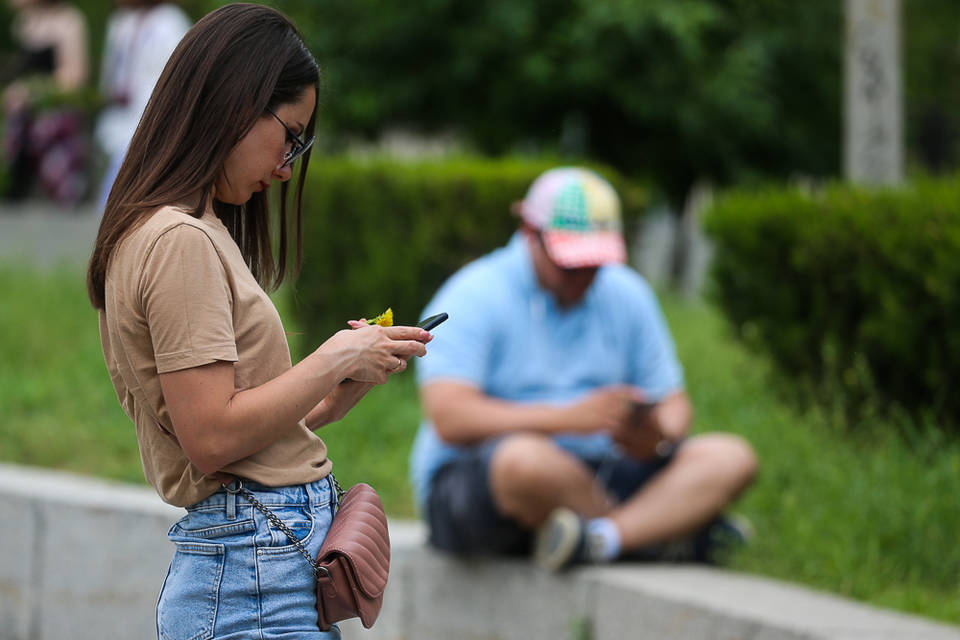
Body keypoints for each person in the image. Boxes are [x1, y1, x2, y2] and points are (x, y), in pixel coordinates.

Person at [86, 5, 432, 637]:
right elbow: (211, 438)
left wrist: (335, 393)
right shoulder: (178, 240)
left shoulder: (188, 228)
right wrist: (332, 357)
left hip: (257, 566)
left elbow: (239, 431)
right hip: (252, 574)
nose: (287, 166)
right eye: (292, 135)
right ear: (236, 102)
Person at [410, 167, 758, 570]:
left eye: (594, 263)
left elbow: (675, 405)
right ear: (529, 233)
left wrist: (657, 436)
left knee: (731, 457)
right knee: (522, 462)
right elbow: (449, 416)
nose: (584, 278)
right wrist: (568, 419)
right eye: (570, 265)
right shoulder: (474, 293)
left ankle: (599, 540)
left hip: (602, 471)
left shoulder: (626, 292)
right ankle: (660, 532)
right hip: (485, 485)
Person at [94, 0, 190, 208]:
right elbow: (110, 74)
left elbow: (178, 81)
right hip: (119, 120)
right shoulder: (120, 23)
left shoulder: (170, 23)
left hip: (153, 120)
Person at [2, 0, 90, 204]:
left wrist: (31, 91)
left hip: (54, 123)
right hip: (23, 124)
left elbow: (75, 77)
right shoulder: (23, 23)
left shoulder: (68, 21)